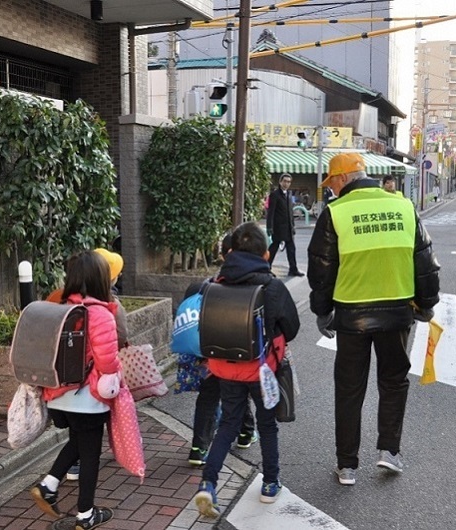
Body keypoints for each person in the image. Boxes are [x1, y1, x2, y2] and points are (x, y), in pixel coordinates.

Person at [307, 152, 440, 486]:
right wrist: (426, 305)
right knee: (393, 382)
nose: (331, 189)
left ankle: (347, 465)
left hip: (352, 315)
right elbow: (424, 262)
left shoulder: (335, 213)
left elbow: (322, 271)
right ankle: (389, 452)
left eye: (331, 182)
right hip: (397, 313)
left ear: (341, 179)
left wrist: (323, 312)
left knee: (350, 389)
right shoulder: (404, 207)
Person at [194, 222, 300, 518]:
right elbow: (291, 327)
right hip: (261, 370)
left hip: (225, 368)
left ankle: (208, 482)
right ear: (265, 254)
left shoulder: (217, 283)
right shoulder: (272, 286)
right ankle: (270, 483)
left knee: (228, 423)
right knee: (266, 425)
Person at [30, 250, 122, 530]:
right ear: (100, 280)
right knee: (91, 454)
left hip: (59, 396)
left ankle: (49, 485)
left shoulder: (59, 307)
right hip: (88, 400)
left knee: (78, 442)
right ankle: (85, 514)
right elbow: (107, 361)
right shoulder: (100, 314)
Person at [181, 233, 258, 467]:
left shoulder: (203, 287)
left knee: (209, 397)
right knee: (238, 391)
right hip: (238, 353)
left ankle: (198, 447)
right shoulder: (252, 286)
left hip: (208, 353)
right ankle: (245, 434)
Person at [266, 173, 304, 277]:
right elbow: (271, 212)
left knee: (291, 249)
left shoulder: (289, 194)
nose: (286, 184)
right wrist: (269, 226)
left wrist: (293, 226)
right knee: (273, 248)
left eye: (288, 182)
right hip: (278, 227)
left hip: (288, 227)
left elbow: (290, 212)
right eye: (285, 181)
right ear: (280, 182)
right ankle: (266, 268)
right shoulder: (275, 195)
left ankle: (293, 269)